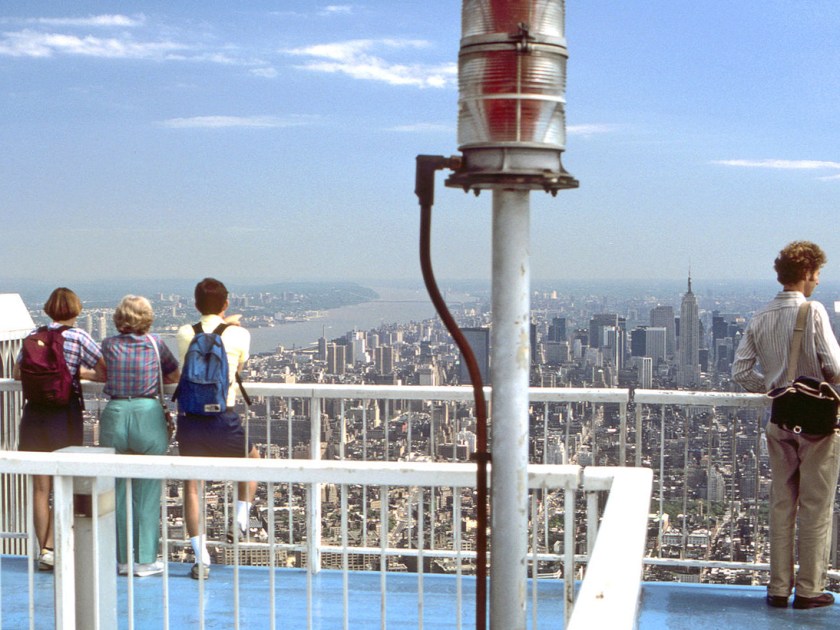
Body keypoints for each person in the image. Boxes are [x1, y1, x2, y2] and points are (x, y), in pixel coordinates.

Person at [732, 241, 840, 610]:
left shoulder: (760, 316)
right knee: (815, 507)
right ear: (807, 273)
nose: (818, 281)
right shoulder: (813, 311)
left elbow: (741, 371)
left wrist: (776, 388)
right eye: (817, 274)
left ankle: (778, 588)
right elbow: (834, 368)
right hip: (816, 424)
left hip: (779, 419)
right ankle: (809, 590)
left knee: (782, 505)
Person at [13, 287, 105, 571]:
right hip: (64, 416)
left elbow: (17, 373)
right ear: (76, 310)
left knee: (40, 488)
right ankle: (58, 547)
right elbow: (104, 371)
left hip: (34, 416)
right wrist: (78, 372)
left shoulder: (33, 336)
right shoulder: (79, 337)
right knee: (65, 483)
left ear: (48, 309)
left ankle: (45, 550)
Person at [175, 278, 260, 580]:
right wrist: (229, 324)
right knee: (252, 461)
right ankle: (239, 522)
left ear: (196, 304)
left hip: (191, 418)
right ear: (226, 304)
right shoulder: (240, 335)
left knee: (192, 486)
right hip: (224, 417)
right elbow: (238, 369)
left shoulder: (185, 333)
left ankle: (202, 558)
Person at [100, 295, 180, 577]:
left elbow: (102, 373)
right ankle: (145, 560)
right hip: (148, 414)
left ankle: (123, 559)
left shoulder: (108, 344)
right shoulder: (155, 343)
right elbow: (174, 376)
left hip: (116, 413)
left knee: (118, 492)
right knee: (147, 491)